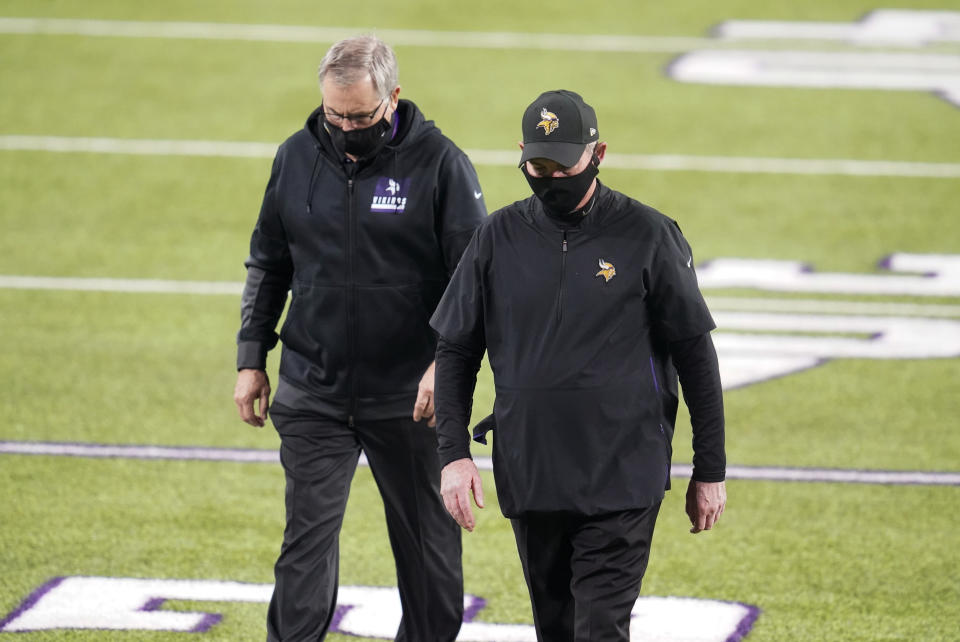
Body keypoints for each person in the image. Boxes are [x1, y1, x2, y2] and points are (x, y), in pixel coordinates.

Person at [431, 89, 727, 642]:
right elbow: (455, 350)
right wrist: (452, 455)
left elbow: (695, 355)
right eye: (536, 166)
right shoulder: (496, 236)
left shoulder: (649, 234)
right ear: (521, 153)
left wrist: (709, 469)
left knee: (599, 629)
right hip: (533, 471)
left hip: (621, 472)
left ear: (599, 154)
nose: (549, 179)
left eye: (562, 166)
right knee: (557, 629)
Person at [232, 35, 487, 642]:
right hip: (314, 390)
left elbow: (476, 281)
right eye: (334, 115)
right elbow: (269, 261)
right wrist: (251, 358)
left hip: (411, 397)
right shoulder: (295, 158)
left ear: (393, 98)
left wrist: (442, 366)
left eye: (361, 116)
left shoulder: (440, 164)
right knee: (304, 550)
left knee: (429, 559)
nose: (346, 128)